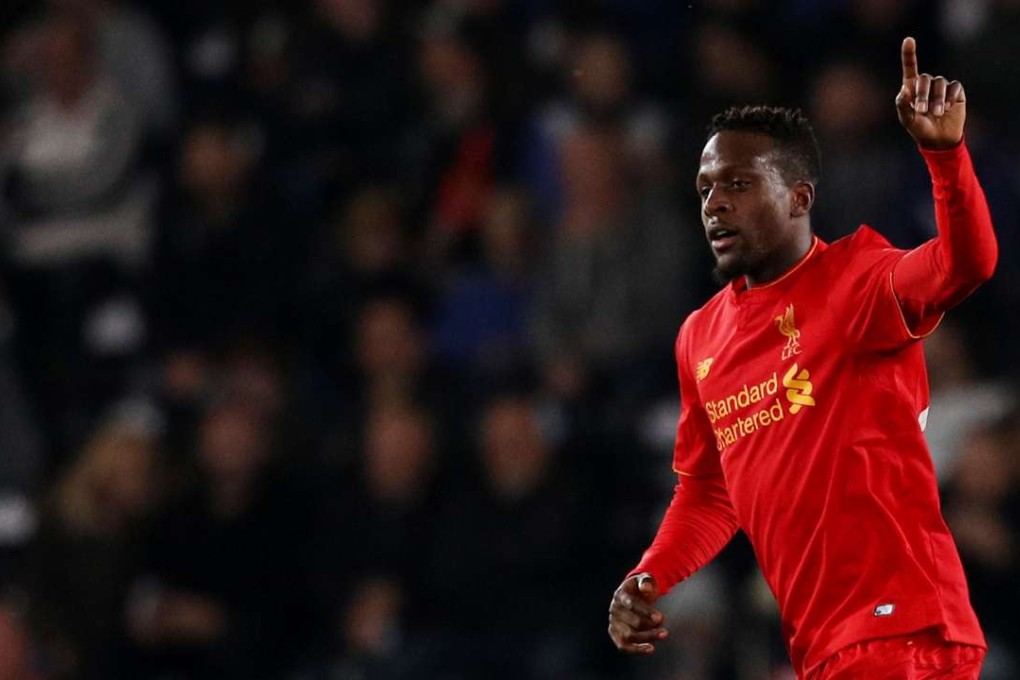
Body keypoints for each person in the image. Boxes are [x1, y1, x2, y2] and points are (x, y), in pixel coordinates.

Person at [607, 37, 997, 679]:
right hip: (822, 646)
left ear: (799, 198)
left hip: (902, 629)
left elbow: (967, 264)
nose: (714, 204)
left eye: (737, 183)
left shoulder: (856, 282)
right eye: (705, 188)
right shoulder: (700, 337)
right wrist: (649, 575)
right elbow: (709, 490)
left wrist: (944, 154)